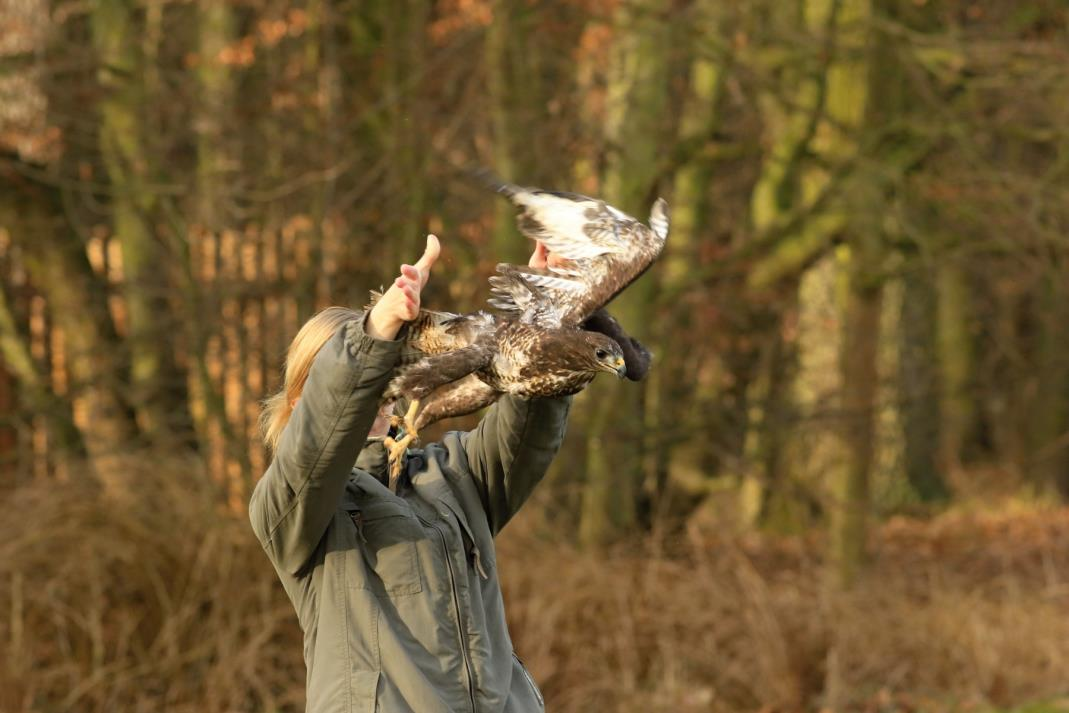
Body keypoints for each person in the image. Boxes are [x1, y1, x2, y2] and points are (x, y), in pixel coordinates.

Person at [249, 235, 646, 713]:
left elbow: (529, 426)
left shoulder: (452, 477)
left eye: (386, 369)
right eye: (363, 378)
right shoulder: (292, 510)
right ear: (301, 402)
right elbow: (317, 447)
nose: (377, 390)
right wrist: (374, 333)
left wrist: (549, 312)